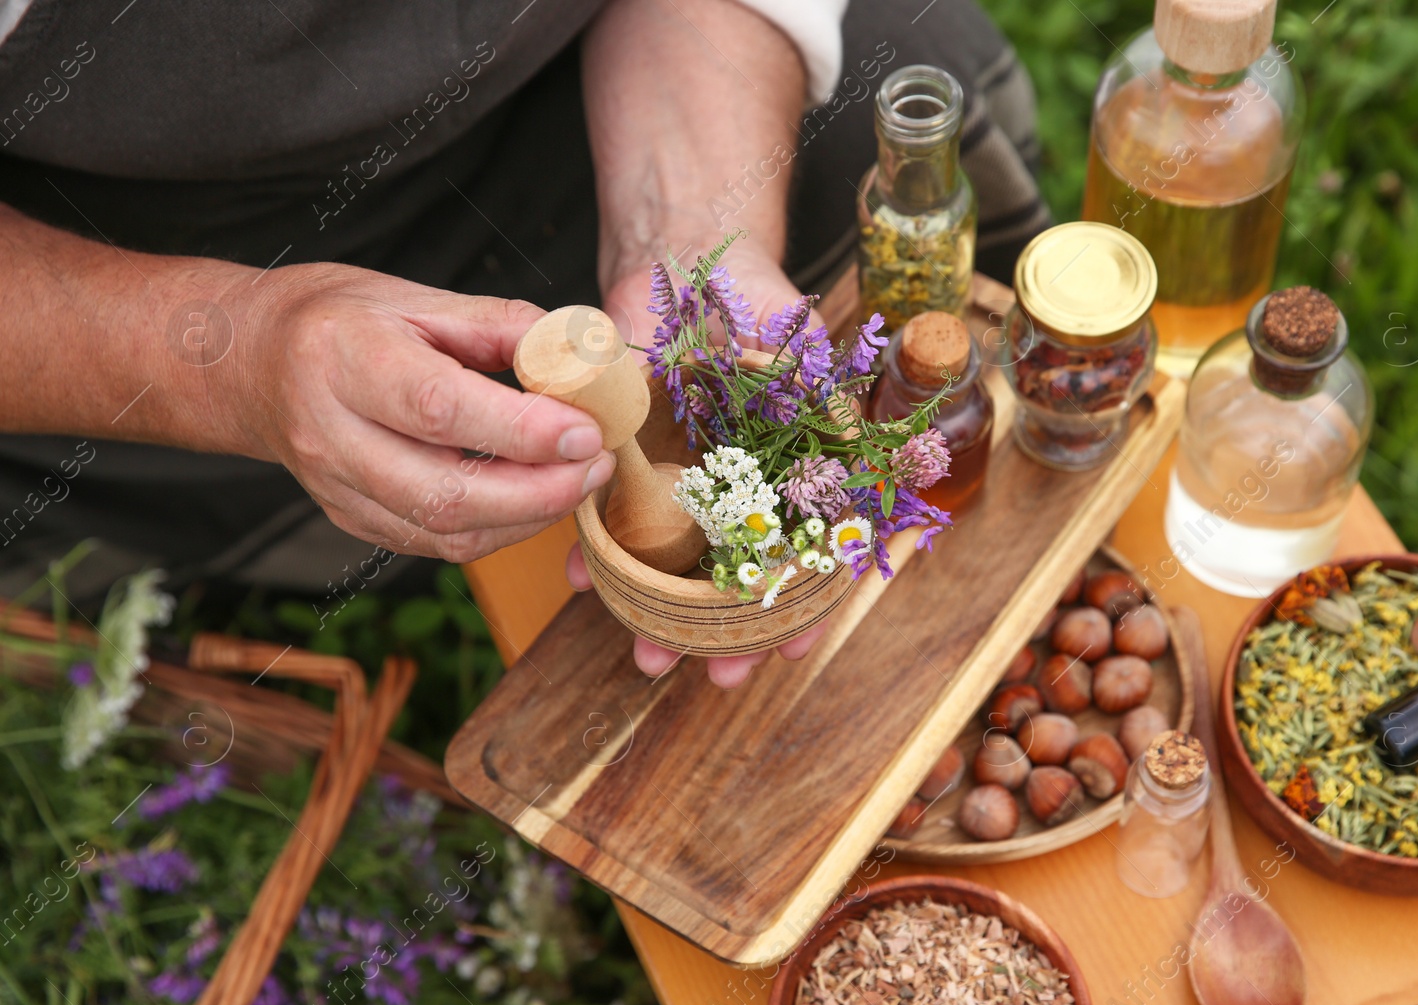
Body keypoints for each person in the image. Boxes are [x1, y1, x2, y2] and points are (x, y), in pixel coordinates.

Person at [0, 0, 1047, 686]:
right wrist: (236, 359)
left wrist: (679, 231)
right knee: (371, 489)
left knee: (897, 86)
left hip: (607, 65)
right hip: (158, 247)